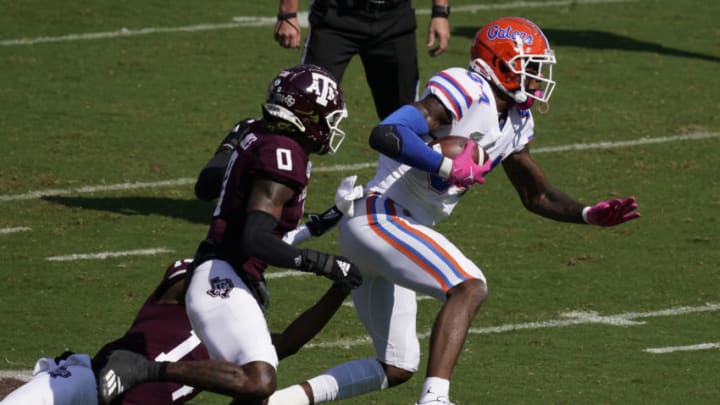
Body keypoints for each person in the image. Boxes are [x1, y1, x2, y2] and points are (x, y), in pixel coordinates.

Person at [267, 16, 640, 405]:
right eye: (529, 67)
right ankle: (434, 400)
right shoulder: (466, 88)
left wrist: (587, 214)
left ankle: (279, 402)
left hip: (391, 230)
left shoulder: (516, 120)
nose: (536, 79)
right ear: (500, 65)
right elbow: (387, 133)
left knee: (396, 365)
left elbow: (536, 195)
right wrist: (443, 164)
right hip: (382, 216)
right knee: (468, 285)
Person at [96, 63, 364, 405]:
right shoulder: (284, 155)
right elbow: (255, 238)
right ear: (307, 114)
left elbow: (209, 186)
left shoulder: (256, 132)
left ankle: (142, 368)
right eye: (327, 117)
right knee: (260, 380)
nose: (330, 127)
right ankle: (142, 368)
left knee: (254, 393)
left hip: (226, 270)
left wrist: (329, 225)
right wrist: (324, 264)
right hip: (222, 273)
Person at [0, 256, 352, 405]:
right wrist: (232, 262)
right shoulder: (189, 292)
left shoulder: (233, 353)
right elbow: (187, 275)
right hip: (88, 385)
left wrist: (340, 289)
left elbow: (289, 341)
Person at [274, 0, 452, 120]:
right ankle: (284, 171)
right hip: (336, 16)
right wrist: (287, 13)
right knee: (304, 106)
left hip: (395, 19)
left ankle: (398, 175)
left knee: (403, 117)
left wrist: (440, 12)